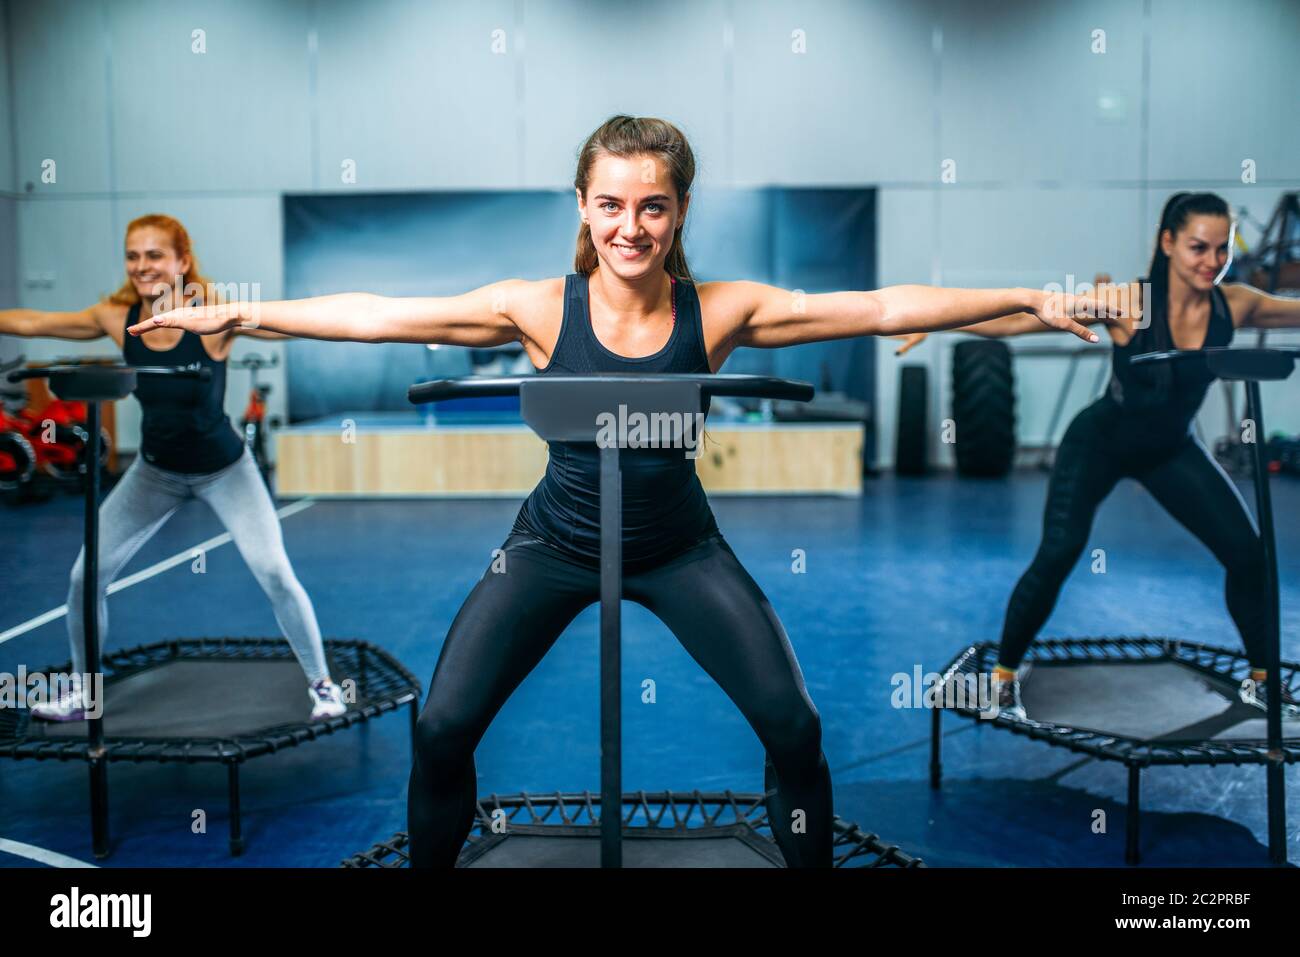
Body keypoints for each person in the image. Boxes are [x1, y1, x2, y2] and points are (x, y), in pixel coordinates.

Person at [132, 115, 1109, 867]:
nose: (629, 226)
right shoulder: (536, 308)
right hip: (550, 545)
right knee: (440, 729)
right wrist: (248, 310)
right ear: (581, 205)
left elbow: (885, 305)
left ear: (677, 210)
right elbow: (380, 317)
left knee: (796, 729)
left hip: (679, 547)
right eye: (609, 204)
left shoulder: (719, 309)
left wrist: (1031, 297)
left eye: (650, 206)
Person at [953, 192, 1300, 719]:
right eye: (1197, 247)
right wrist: (931, 322)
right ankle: (1003, 676)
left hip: (1171, 449)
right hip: (1099, 443)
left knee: (1248, 555)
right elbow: (1022, 319)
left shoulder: (1238, 304)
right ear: (1167, 243)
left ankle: (1260, 682)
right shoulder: (1128, 302)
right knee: (1060, 551)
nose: (1211, 261)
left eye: (1221, 249)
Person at [0, 214, 345, 721]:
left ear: (182, 260)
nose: (143, 266)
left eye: (154, 255)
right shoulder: (115, 317)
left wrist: (356, 317)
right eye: (133, 256)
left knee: (273, 569)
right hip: (154, 473)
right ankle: (82, 689)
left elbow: (290, 326)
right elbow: (35, 323)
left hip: (225, 469)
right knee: (84, 577)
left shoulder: (212, 318)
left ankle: (323, 686)